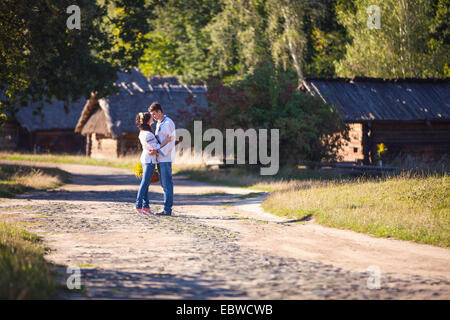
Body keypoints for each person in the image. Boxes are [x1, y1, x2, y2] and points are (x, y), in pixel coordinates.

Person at [135, 112, 172, 215]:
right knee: (145, 183)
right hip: (149, 161)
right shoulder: (148, 134)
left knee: (146, 184)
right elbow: (156, 147)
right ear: (147, 120)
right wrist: (167, 141)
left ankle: (146, 206)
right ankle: (138, 205)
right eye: (151, 117)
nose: (153, 118)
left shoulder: (144, 132)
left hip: (146, 159)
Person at [148, 102, 176, 216]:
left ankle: (167, 209)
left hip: (165, 158)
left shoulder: (168, 123)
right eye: (152, 115)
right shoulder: (160, 123)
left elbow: (171, 141)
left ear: (159, 111)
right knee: (163, 184)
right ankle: (166, 208)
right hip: (159, 158)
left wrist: (159, 151)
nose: (153, 117)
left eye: (154, 114)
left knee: (167, 183)